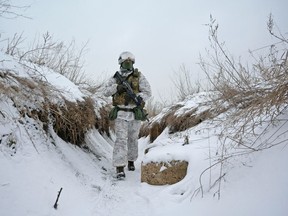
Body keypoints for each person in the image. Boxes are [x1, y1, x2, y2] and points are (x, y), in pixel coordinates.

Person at [103, 51, 152, 179]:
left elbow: (148, 91)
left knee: (133, 139)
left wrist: (140, 98)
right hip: (120, 113)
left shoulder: (139, 77)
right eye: (126, 61)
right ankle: (119, 167)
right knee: (120, 140)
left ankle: (131, 161)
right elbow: (105, 91)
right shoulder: (115, 77)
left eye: (130, 61)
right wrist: (116, 88)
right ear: (121, 62)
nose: (128, 63)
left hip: (134, 114)